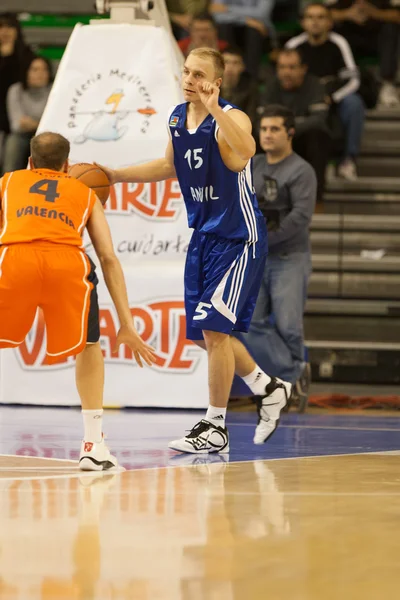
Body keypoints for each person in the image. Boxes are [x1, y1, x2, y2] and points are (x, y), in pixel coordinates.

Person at [99, 48, 292, 453]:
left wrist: (213, 107)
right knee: (206, 335)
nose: (189, 79)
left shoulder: (231, 117)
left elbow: (247, 149)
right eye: (186, 71)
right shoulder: (175, 117)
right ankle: (267, 386)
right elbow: (168, 166)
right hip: (204, 236)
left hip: (239, 237)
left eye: (199, 74)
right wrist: (116, 176)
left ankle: (215, 426)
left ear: (216, 82)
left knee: (215, 330)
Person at [0, 132, 155, 470]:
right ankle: (92, 444)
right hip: (67, 264)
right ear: (67, 165)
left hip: (15, 258)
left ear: (29, 161)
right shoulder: (85, 191)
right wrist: (126, 324)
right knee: (88, 346)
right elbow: (108, 257)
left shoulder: (8, 182)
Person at [243, 105, 315, 409]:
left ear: (290, 133)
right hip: (256, 258)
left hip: (289, 257)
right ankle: (294, 373)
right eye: (264, 129)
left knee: (287, 325)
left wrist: (262, 240)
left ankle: (286, 386)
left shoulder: (301, 170)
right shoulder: (253, 164)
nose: (267, 134)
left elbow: (300, 217)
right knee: (251, 324)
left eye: (274, 129)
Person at [286, 3, 365, 180]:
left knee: (354, 103)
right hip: (302, 98)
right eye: (311, 17)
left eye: (321, 17)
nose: (315, 22)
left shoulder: (339, 43)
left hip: (332, 97)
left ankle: (348, 160)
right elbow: (284, 77)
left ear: (330, 22)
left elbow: (354, 79)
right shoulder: (294, 45)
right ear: (303, 22)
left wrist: (333, 97)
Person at [259, 49, 330, 204]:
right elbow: (262, 118)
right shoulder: (271, 86)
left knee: (318, 136)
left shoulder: (315, 85)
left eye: (292, 67)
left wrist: (285, 128)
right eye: (282, 67)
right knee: (256, 136)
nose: (286, 72)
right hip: (277, 139)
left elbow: (318, 119)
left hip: (303, 139)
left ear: (303, 69)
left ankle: (316, 200)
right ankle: (261, 199)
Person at [324, 0, 400, 107]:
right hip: (349, 40)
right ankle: (339, 81)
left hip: (377, 42)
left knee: (391, 28)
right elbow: (322, 13)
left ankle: (387, 84)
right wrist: (347, 14)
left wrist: (374, 12)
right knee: (333, 27)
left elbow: (397, 15)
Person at [3, 56, 52, 173]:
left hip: (46, 135)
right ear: (26, 72)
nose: (40, 74)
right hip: (22, 136)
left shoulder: (54, 90)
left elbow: (53, 123)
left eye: (44, 70)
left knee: (52, 143)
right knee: (13, 142)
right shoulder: (16, 90)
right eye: (35, 69)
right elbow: (17, 125)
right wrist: (40, 122)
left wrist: (31, 123)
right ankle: (7, 181)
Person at [0, 13, 34, 171]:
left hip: (18, 117)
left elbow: (29, 82)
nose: (5, 31)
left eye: (9, 27)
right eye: (1, 27)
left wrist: (9, 58)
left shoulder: (27, 55)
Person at [210, 0, 273, 78]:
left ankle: (250, 79)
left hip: (260, 34)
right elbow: (217, 15)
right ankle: (225, 75)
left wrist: (228, 8)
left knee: (253, 31)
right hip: (231, 28)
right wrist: (246, 20)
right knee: (224, 27)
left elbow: (261, 13)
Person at [221, 45, 259, 123]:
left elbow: (251, 119)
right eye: (226, 62)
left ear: (242, 67)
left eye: (235, 63)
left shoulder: (250, 89)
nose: (230, 67)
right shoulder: (211, 86)